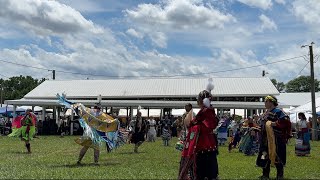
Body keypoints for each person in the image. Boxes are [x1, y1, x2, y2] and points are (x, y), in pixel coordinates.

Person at [178, 80, 219, 180]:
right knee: (211, 173)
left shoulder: (204, 114)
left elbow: (202, 126)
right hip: (211, 147)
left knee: (199, 173)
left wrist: (191, 124)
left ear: (201, 101)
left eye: (198, 100)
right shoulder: (210, 112)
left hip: (201, 147)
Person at [256, 95, 292, 180]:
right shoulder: (266, 112)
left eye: (266, 101)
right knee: (264, 155)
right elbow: (262, 123)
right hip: (265, 138)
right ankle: (265, 174)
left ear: (271, 102)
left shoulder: (279, 111)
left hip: (276, 139)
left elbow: (286, 120)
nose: (264, 103)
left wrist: (274, 123)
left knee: (277, 155)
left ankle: (280, 175)